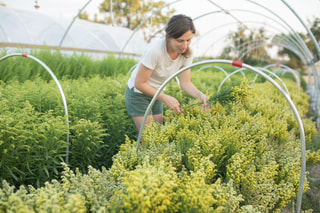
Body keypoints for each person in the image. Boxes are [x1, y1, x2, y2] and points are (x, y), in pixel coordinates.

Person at [125, 14, 210, 132]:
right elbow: (139, 83)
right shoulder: (155, 50)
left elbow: (185, 82)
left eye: (188, 40)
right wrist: (165, 98)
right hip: (138, 93)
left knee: (159, 133)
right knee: (149, 137)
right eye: (180, 41)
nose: (185, 45)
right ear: (169, 36)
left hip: (157, 93)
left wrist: (199, 95)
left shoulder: (187, 54)